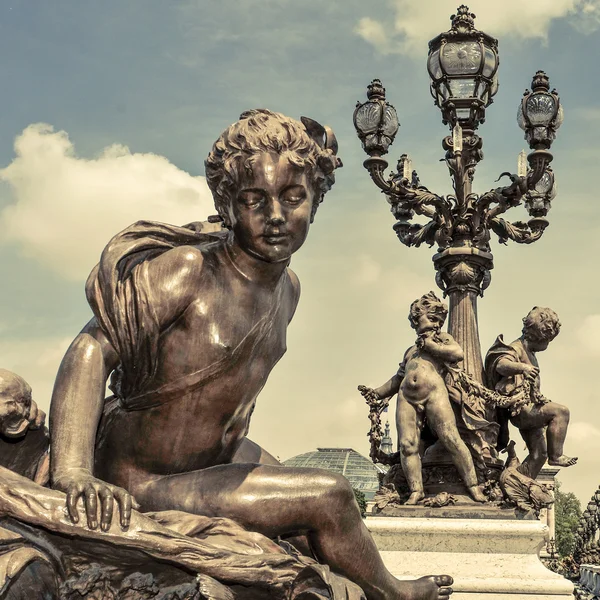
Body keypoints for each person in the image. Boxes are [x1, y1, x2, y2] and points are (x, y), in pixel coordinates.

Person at [49, 110, 452, 600]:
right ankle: (393, 593)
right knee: (330, 495)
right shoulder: (189, 270)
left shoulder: (289, 291)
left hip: (218, 457)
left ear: (315, 201)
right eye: (254, 200)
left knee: (303, 522)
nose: (276, 216)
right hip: (145, 475)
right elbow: (91, 348)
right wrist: (72, 473)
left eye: (293, 197)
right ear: (227, 203)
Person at [360, 292, 486, 505]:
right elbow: (398, 378)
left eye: (420, 317)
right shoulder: (411, 351)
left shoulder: (442, 339)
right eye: (415, 318)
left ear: (435, 319)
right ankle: (416, 490)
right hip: (406, 397)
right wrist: (378, 393)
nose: (416, 321)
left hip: (435, 393)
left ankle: (474, 487)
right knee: (408, 445)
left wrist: (432, 347)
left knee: (451, 438)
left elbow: (457, 353)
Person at [484, 306, 577, 480]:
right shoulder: (517, 348)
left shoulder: (530, 352)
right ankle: (556, 456)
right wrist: (523, 367)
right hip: (523, 410)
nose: (548, 345)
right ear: (538, 336)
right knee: (561, 412)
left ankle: (515, 483)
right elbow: (501, 364)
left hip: (530, 408)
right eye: (548, 340)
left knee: (539, 455)